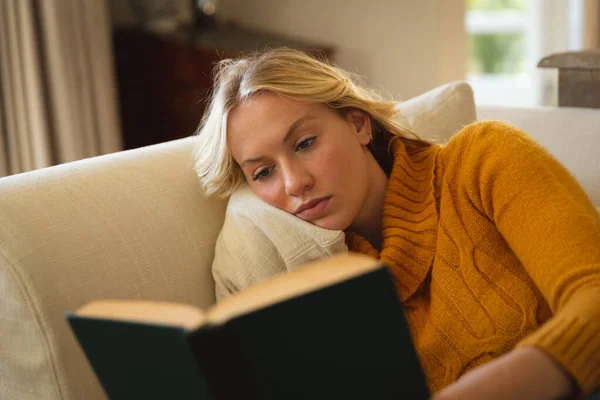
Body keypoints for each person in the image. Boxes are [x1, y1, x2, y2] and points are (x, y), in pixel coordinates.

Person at [194, 48, 600, 399]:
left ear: (358, 124)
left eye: (304, 144)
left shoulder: (483, 160)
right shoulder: (326, 286)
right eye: (263, 172)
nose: (295, 183)